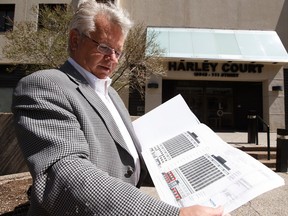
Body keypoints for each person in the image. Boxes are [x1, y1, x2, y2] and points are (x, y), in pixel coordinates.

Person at [12, 1, 225, 215]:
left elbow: (129, 162)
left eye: (118, 52)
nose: (112, 59)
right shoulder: (46, 85)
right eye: (104, 47)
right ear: (75, 40)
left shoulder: (111, 94)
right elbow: (64, 173)